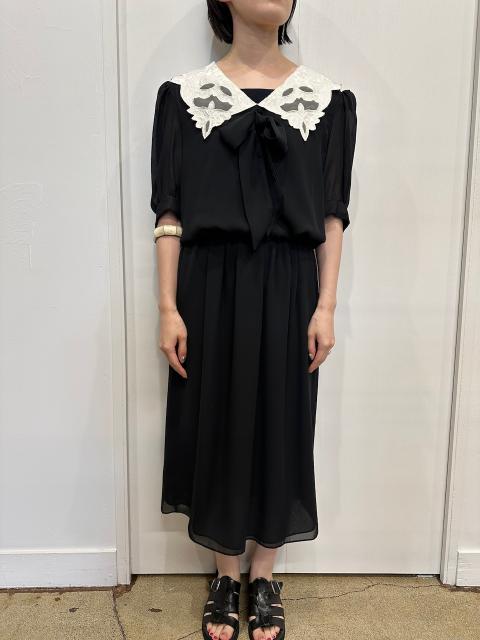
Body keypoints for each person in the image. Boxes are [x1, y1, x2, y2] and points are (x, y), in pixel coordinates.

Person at [150, 1, 357, 639]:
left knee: (281, 421)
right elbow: (169, 213)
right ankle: (224, 572)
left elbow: (332, 215)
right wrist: (167, 307)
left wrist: (325, 305)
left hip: (291, 285)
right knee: (214, 417)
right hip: (209, 285)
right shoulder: (184, 97)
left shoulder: (327, 101)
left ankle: (263, 575)